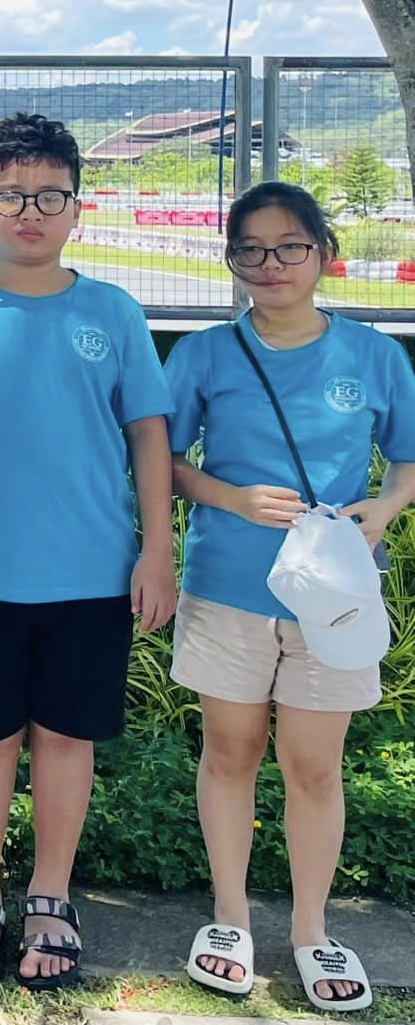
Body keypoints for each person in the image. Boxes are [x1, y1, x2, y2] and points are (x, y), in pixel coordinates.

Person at [0, 112, 175, 991]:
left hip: (92, 573)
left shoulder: (113, 311)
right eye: (9, 195)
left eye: (50, 195)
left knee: (64, 739)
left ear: (79, 207)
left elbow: (149, 435)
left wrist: (157, 548)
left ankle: (51, 896)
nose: (30, 212)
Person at [165, 181, 415, 1013]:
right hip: (227, 587)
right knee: (229, 754)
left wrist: (386, 507)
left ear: (324, 253)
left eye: (290, 247)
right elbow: (162, 461)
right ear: (231, 259)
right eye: (251, 249)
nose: (270, 264)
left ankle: (312, 930)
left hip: (334, 598)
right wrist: (231, 499)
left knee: (313, 767)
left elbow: (407, 460)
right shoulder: (204, 354)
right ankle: (230, 918)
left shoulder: (374, 355)